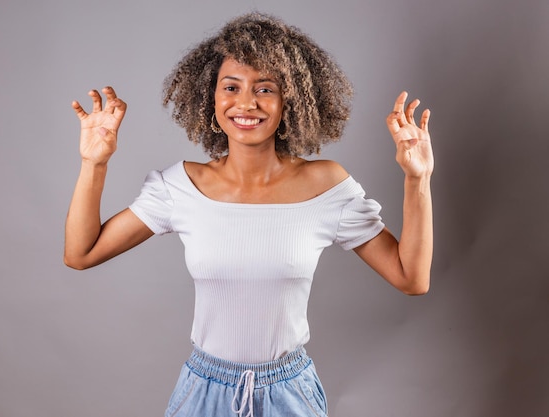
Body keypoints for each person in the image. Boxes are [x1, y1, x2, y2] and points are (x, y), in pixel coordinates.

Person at [64, 13, 433, 417]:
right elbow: (81, 253)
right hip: (204, 392)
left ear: (288, 99)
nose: (246, 103)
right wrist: (93, 163)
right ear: (211, 97)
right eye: (231, 87)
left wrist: (418, 180)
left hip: (289, 393)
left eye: (264, 89)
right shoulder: (181, 186)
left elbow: (411, 278)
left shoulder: (326, 185)